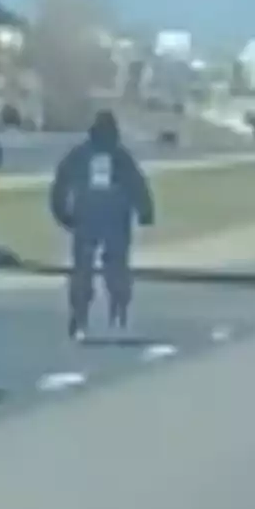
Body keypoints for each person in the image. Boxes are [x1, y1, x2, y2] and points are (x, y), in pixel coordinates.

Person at [49, 110, 155, 340]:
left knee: (83, 269)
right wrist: (146, 212)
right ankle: (118, 310)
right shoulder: (120, 156)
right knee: (115, 266)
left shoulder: (79, 154)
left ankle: (81, 315)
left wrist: (62, 214)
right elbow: (138, 185)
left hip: (87, 218)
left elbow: (60, 186)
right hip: (114, 219)